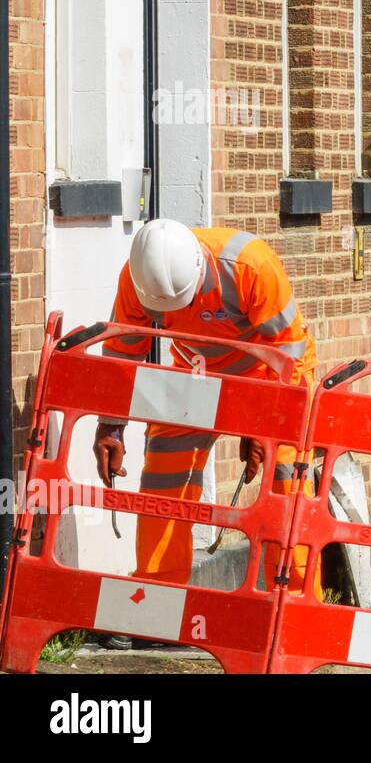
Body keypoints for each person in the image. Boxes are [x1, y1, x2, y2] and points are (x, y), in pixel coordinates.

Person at [92, 220, 319, 598]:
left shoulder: (250, 267)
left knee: (286, 478)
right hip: (193, 374)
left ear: (199, 272)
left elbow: (289, 356)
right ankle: (157, 600)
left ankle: (294, 605)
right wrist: (111, 427)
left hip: (271, 378)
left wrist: (262, 424)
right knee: (166, 471)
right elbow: (122, 352)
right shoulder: (136, 278)